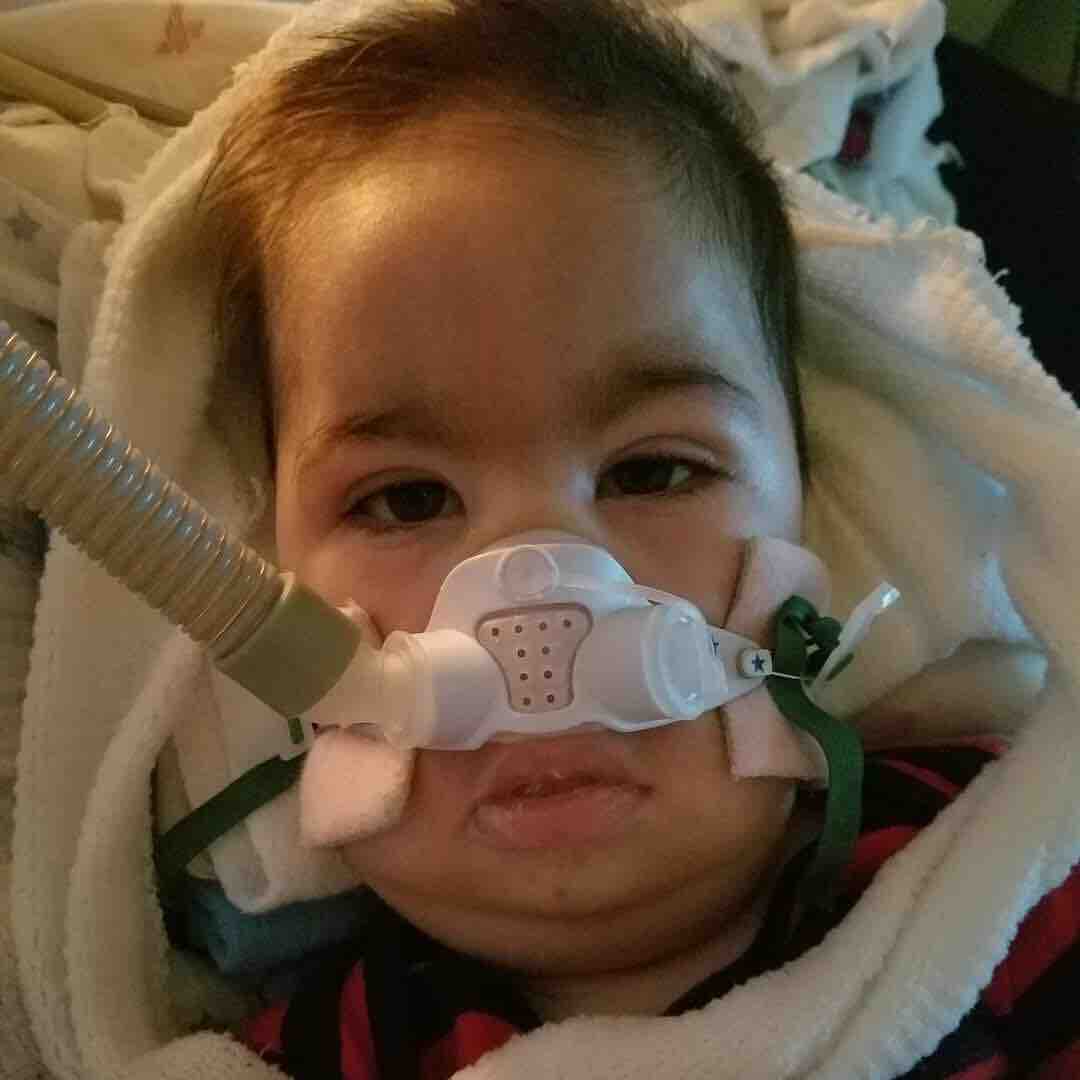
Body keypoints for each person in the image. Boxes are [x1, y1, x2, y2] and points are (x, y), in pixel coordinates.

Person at [11, 3, 1080, 1080]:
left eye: (651, 472)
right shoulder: (331, 1056)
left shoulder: (1012, 887)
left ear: (808, 525)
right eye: (406, 500)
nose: (542, 606)